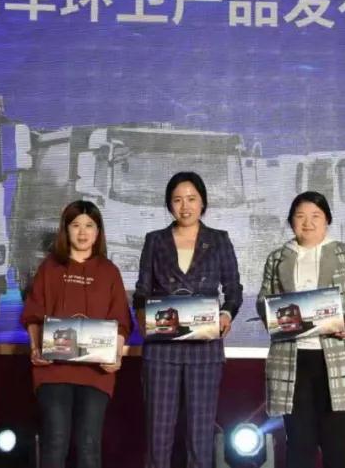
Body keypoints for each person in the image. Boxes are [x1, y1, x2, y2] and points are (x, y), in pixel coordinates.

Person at [257, 191, 345, 468]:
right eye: (300, 216)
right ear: (291, 221)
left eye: (316, 216)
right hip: (293, 359)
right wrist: (272, 316)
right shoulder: (277, 258)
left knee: (337, 445)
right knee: (299, 444)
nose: (308, 222)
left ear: (327, 220)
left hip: (338, 357)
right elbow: (263, 300)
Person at [133, 171, 242, 468]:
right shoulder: (154, 240)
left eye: (192, 199)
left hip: (204, 350)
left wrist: (226, 314)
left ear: (202, 202)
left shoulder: (219, 240)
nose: (185, 206)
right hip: (161, 350)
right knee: (158, 435)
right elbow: (141, 291)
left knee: (200, 437)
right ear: (169, 204)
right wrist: (142, 317)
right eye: (177, 200)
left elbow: (233, 290)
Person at [20, 200, 133, 468]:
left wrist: (116, 356)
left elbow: (121, 322)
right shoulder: (50, 268)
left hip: (97, 373)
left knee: (89, 445)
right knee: (55, 441)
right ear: (66, 230)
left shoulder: (109, 272)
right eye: (75, 225)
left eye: (89, 226)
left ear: (98, 231)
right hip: (53, 370)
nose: (82, 232)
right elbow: (33, 315)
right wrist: (35, 348)